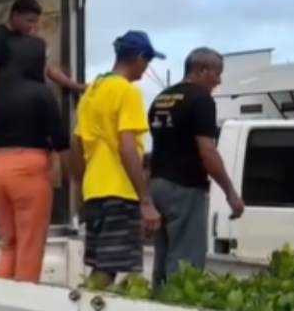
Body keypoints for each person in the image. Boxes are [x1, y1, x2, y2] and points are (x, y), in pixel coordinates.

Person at [0, 0, 85, 212]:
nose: (32, 27)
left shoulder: (30, 44)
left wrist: (74, 86)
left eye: (36, 22)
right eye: (28, 21)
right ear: (14, 16)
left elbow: (47, 69)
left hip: (20, 112)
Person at [72, 31, 165, 285]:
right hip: (119, 193)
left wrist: (82, 189)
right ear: (138, 57)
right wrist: (145, 201)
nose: (146, 69)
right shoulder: (127, 92)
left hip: (94, 192)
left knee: (102, 267)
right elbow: (127, 147)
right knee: (109, 270)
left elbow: (76, 146)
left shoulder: (92, 92)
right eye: (147, 62)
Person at [148, 48, 245, 287]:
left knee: (163, 257)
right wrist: (231, 193)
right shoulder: (202, 100)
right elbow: (207, 151)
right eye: (217, 74)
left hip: (158, 185)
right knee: (185, 263)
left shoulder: (161, 98)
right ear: (202, 70)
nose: (219, 81)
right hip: (185, 188)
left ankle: (156, 307)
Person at [0, 35, 71, 282]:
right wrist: (74, 178)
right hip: (29, 170)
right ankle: (22, 310)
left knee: (10, 242)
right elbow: (61, 141)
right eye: (44, 59)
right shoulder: (40, 93)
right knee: (30, 244)